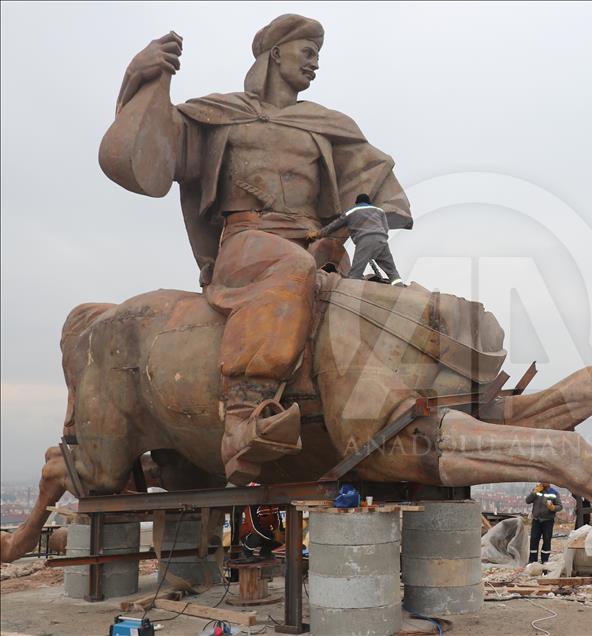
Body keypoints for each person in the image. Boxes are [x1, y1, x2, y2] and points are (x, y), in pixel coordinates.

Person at [100, 15, 413, 484]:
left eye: (318, 55)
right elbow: (144, 153)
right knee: (291, 267)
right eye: (307, 51)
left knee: (380, 304)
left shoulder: (326, 125)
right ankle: (245, 414)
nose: (314, 63)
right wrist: (139, 80)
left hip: (319, 245)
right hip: (248, 243)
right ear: (275, 53)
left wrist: (372, 219)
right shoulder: (218, 115)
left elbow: (379, 187)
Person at [314, 194, 404, 285]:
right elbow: (385, 228)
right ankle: (400, 286)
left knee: (355, 274)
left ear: (357, 203)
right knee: (392, 271)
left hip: (365, 241)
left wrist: (319, 234)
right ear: (369, 202)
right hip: (381, 241)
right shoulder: (379, 210)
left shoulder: (352, 211)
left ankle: (350, 290)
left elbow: (334, 225)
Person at [525, 482, 562, 564]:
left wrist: (553, 507)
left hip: (548, 521)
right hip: (536, 520)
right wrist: (534, 492)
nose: (543, 482)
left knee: (547, 540)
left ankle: (545, 560)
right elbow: (527, 500)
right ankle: (532, 560)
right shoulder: (537, 490)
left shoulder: (554, 492)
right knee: (534, 540)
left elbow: (560, 506)